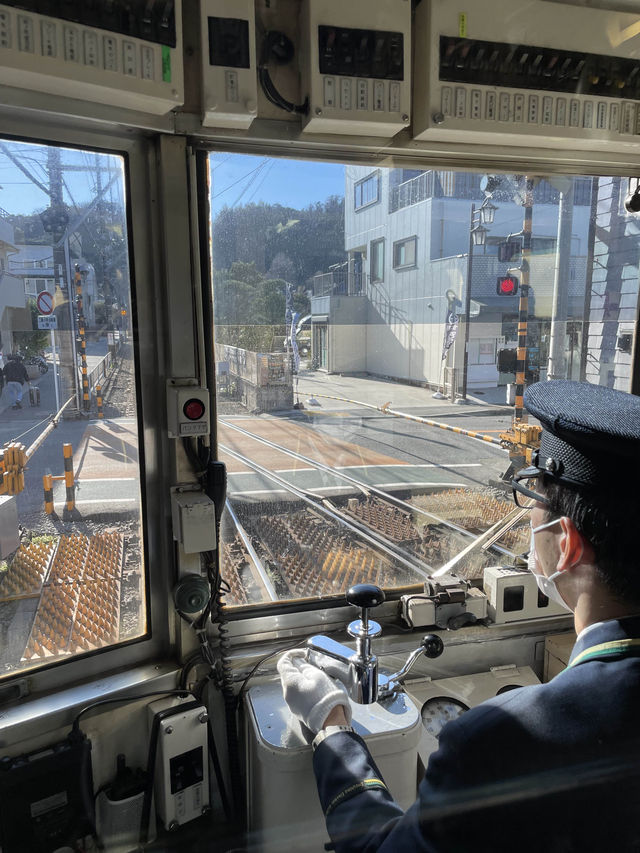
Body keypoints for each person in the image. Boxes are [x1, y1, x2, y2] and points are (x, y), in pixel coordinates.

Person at [278, 380, 640, 852]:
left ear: (567, 544)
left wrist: (333, 728)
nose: (529, 517)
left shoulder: (495, 747)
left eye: (533, 503)